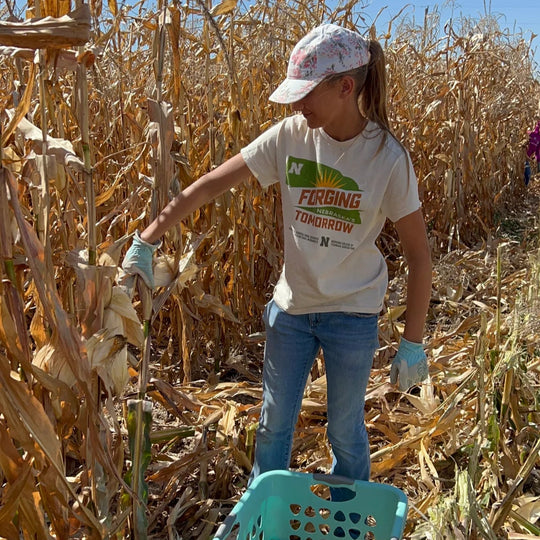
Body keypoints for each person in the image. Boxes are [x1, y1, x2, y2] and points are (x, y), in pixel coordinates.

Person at [122, 23, 432, 486]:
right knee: (272, 428)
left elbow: (419, 255)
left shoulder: (387, 158)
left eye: (306, 94)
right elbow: (211, 183)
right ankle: (266, 511)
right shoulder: (289, 136)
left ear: (345, 87)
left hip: (353, 316)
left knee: (345, 433)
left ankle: (345, 519)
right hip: (291, 312)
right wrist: (146, 238)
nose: (296, 104)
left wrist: (412, 342)